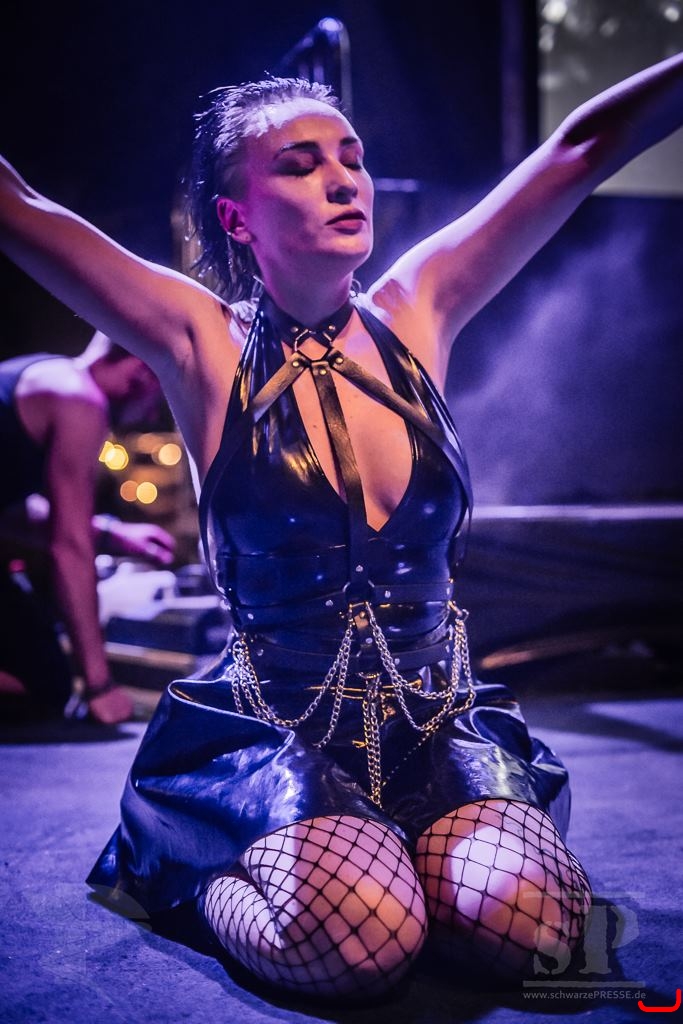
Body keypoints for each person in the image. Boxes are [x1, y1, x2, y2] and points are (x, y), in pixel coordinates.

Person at [1, 50, 681, 999]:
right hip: (278, 737)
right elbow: (18, 207)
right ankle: (205, 876)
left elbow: (580, 145)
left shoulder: (419, 306)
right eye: (299, 164)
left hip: (435, 725)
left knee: (538, 934)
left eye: (351, 157)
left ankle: (395, 862)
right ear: (237, 218)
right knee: (361, 947)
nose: (341, 179)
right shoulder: (197, 339)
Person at [0, 331, 176, 724]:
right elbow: (69, 547)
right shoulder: (79, 398)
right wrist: (100, 687)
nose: (151, 415)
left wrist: (113, 535)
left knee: (44, 667)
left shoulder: (45, 373)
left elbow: (15, 516)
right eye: (157, 400)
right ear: (142, 373)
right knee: (45, 684)